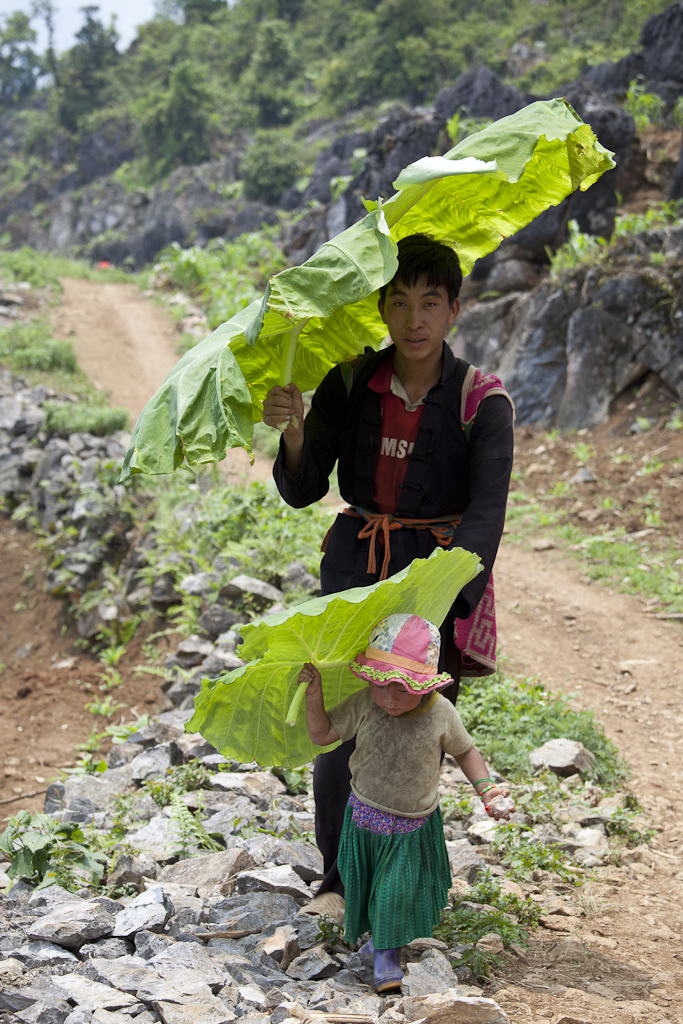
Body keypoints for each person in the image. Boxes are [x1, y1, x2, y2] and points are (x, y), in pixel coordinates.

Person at [263, 232, 514, 910]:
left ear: (454, 309)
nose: (414, 319)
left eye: (429, 302)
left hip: (433, 583)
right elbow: (306, 483)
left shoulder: (482, 403)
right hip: (355, 571)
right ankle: (339, 882)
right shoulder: (348, 382)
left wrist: (444, 601)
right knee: (344, 726)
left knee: (410, 740)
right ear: (381, 307)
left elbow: (485, 515)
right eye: (399, 302)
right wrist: (292, 429)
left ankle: (400, 889)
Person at [298, 613, 513, 992]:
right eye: (382, 687)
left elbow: (466, 752)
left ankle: (386, 956)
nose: (390, 698)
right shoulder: (366, 702)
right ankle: (376, 937)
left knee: (395, 891)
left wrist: (487, 789)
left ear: (426, 684)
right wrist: (313, 697)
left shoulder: (441, 713)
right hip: (363, 819)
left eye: (402, 689)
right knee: (366, 889)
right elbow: (322, 735)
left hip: (411, 825)